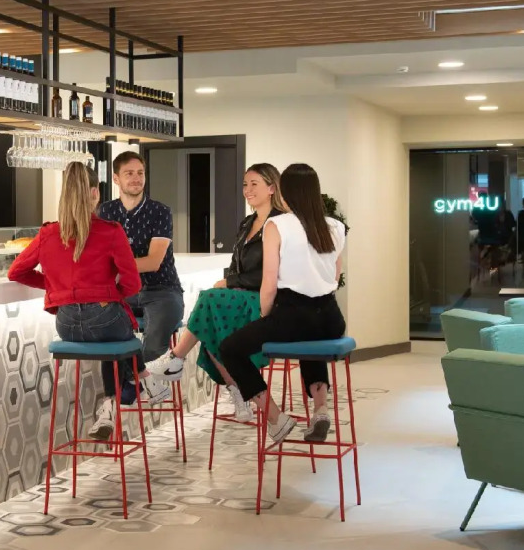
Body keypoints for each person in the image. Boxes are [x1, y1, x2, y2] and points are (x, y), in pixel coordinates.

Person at [8, 163, 170, 441]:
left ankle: (115, 402)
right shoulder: (110, 230)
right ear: (95, 193)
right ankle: (141, 382)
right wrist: (109, 294)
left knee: (114, 340)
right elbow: (132, 283)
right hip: (105, 318)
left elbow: (16, 272)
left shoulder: (48, 233)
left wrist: (56, 287)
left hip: (66, 325)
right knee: (122, 334)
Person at [218, 163, 347, 449]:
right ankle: (321, 410)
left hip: (292, 315)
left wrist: (266, 318)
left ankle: (275, 417)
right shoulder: (335, 226)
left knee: (230, 349)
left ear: (284, 191)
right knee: (310, 340)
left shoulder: (277, 225)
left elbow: (269, 283)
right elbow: (334, 278)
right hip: (331, 319)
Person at [145, 163, 287, 422]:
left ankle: (177, 358)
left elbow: (274, 272)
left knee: (209, 303)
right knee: (211, 321)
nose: (247, 190)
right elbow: (235, 264)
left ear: (271, 188)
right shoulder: (247, 224)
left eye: (254, 184)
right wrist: (232, 283)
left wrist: (230, 282)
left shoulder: (281, 224)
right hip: (241, 298)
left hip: (267, 302)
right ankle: (236, 391)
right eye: (245, 184)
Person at [97, 151, 185, 402]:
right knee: (106, 329)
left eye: (140, 173)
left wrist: (117, 267)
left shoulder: (160, 211)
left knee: (155, 340)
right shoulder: (106, 212)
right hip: (125, 291)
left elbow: (153, 262)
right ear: (116, 178)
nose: (136, 178)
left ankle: (130, 386)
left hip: (162, 290)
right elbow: (99, 257)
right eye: (129, 174)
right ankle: (122, 394)